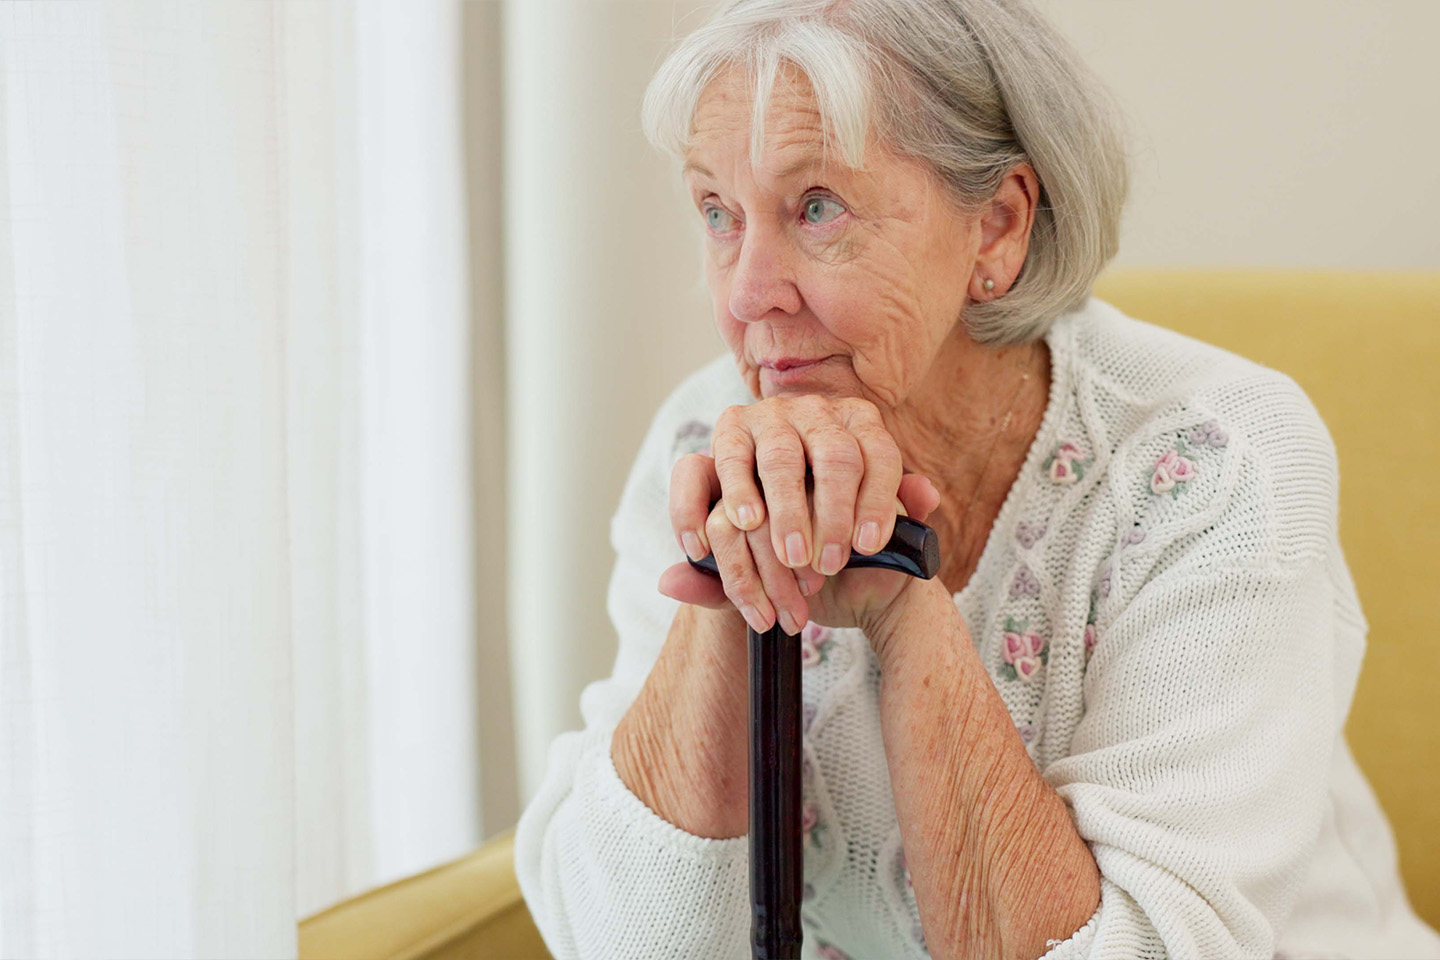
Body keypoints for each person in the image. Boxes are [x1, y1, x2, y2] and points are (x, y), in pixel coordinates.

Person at [513, 1, 1440, 957]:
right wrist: (734, 577)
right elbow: (626, 941)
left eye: (817, 206)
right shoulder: (705, 439)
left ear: (996, 228)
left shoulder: (1212, 463)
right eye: (718, 211)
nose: (747, 294)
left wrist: (904, 602)